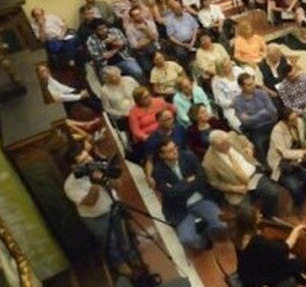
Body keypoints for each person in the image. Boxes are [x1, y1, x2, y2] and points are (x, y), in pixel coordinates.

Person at [63, 144, 139, 273]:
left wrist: (109, 174)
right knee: (111, 243)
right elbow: (90, 202)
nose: (89, 161)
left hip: (113, 207)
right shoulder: (70, 185)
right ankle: (120, 265)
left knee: (123, 235)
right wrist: (95, 183)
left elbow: (118, 185)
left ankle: (132, 257)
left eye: (88, 157)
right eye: (83, 161)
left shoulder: (98, 166)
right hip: (95, 217)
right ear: (74, 167)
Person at [150, 137, 227, 251]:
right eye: (170, 151)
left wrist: (178, 187)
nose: (175, 151)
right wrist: (186, 181)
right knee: (187, 239)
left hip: (199, 199)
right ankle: (203, 243)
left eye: (175, 147)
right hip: (179, 209)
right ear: (162, 155)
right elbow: (169, 193)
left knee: (222, 225)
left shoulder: (189, 157)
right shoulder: (158, 171)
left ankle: (207, 232)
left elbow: (201, 178)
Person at [232, 205, 306, 287]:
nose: (261, 215)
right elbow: (286, 247)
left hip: (245, 273)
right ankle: (302, 286)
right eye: (257, 217)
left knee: (281, 257)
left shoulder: (238, 236)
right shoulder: (257, 242)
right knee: (300, 263)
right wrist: (296, 230)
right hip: (257, 280)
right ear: (252, 224)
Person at [267, 108, 306, 213]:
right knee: (295, 188)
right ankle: (299, 203)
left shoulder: (299, 122)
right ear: (284, 121)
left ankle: (300, 196)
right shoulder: (277, 131)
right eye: (292, 120)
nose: (296, 121)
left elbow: (302, 141)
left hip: (297, 159)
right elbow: (284, 153)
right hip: (282, 164)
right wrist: (303, 152)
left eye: (296, 117)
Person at [233, 71, 279, 156]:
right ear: (241, 87)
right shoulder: (238, 101)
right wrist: (262, 113)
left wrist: (252, 117)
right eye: (249, 85)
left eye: (253, 83)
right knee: (259, 146)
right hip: (256, 130)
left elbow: (273, 111)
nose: (253, 86)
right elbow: (245, 122)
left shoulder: (262, 93)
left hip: (271, 124)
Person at [128, 87, 174, 151]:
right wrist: (148, 138)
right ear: (138, 101)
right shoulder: (133, 112)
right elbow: (136, 131)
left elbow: (172, 110)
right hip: (147, 138)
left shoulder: (159, 101)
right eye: (144, 98)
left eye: (149, 95)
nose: (149, 98)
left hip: (164, 131)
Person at [162, 1, 200, 67]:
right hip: (180, 43)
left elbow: (195, 28)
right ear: (172, 10)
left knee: (203, 43)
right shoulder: (169, 20)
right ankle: (188, 69)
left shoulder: (187, 15)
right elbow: (171, 37)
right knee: (180, 54)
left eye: (180, 7)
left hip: (193, 39)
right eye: (177, 8)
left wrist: (193, 41)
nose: (179, 9)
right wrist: (182, 44)